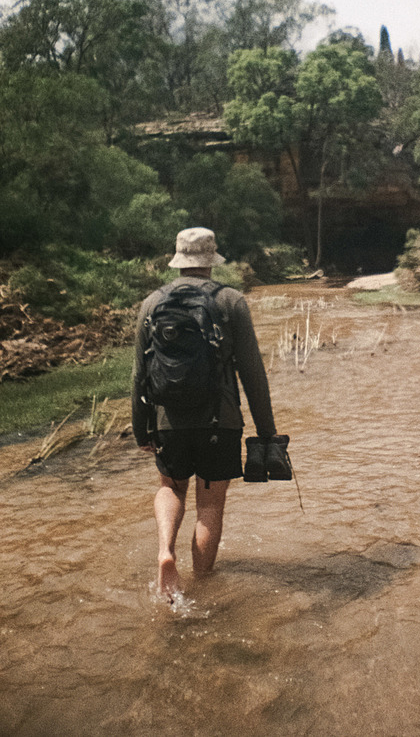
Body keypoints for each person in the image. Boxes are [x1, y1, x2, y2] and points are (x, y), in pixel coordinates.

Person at [132, 227, 277, 598]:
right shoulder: (230, 301)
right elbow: (252, 372)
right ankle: (201, 587)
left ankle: (166, 551)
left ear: (179, 259)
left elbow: (139, 374)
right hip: (220, 420)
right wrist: (266, 431)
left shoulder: (151, 304)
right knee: (209, 503)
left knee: (170, 486)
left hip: (167, 421)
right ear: (211, 260)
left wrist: (141, 430)